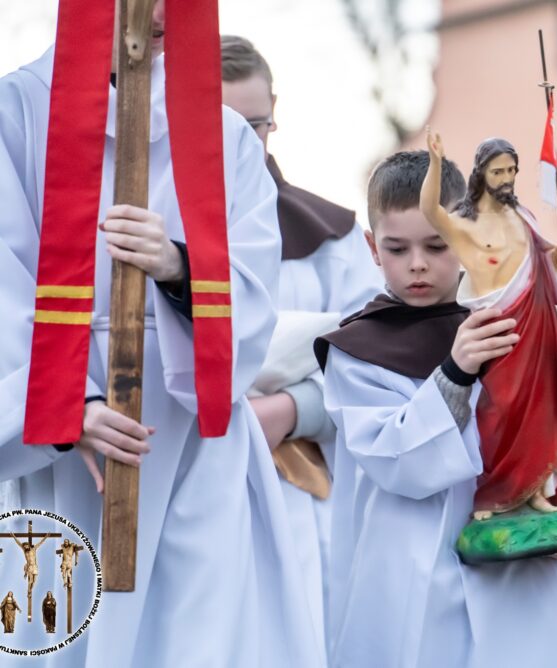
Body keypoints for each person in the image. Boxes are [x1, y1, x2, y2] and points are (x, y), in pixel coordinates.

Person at [0, 2, 323, 665]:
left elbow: (255, 288)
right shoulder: (19, 114)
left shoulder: (227, 137)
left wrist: (180, 266)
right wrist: (67, 405)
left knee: (197, 639)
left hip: (191, 450)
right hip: (68, 450)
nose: (158, 11)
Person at [315, 150, 557, 667]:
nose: (419, 264)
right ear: (372, 249)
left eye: (436, 244)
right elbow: (397, 462)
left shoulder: (512, 325)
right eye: (398, 248)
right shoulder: (355, 350)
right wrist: (455, 371)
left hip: (526, 587)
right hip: (415, 588)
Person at [220, 35, 383, 642]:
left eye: (254, 125)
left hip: (306, 497)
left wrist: (293, 409)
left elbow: (379, 361)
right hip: (187, 485)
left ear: (273, 119)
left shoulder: (335, 241)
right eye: (219, 126)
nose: (239, 144)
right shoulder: (147, 244)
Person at [421, 131, 557, 520]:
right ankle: (496, 493)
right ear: (481, 173)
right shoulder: (465, 224)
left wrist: (556, 259)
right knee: (499, 411)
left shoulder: (524, 217)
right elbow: (430, 212)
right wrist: (436, 163)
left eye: (511, 170)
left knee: (543, 409)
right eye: (498, 171)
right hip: (498, 328)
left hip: (536, 326)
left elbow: (541, 264)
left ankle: (539, 492)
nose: (506, 178)